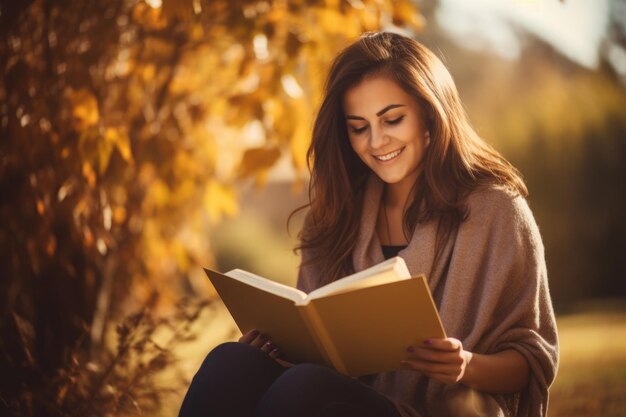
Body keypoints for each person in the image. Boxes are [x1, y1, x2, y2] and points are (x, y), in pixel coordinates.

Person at [178, 31, 559, 417]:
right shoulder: (335, 215)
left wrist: (465, 365)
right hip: (343, 398)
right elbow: (313, 353)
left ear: (431, 113)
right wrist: (273, 348)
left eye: (392, 119)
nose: (376, 142)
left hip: (440, 410)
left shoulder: (497, 210)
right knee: (232, 361)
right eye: (358, 127)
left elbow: (533, 360)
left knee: (305, 388)